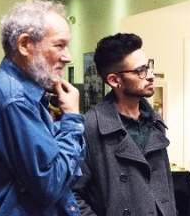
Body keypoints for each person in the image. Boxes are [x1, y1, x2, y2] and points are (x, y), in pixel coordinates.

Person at [0, 0, 85, 215]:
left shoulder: (23, 95)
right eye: (59, 45)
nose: (68, 57)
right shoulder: (13, 99)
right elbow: (50, 185)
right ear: (24, 45)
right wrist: (73, 120)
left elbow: (59, 173)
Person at [72, 33, 177, 215]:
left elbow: (165, 188)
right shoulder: (91, 127)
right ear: (114, 80)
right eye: (140, 70)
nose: (151, 76)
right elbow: (73, 194)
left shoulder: (154, 122)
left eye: (149, 67)